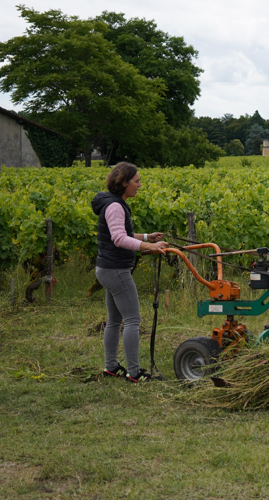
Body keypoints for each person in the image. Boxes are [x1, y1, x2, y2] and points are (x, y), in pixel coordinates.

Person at [91, 162, 168, 382]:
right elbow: (118, 239)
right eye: (136, 181)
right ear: (124, 182)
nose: (139, 185)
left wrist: (146, 237)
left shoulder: (114, 203)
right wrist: (149, 247)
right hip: (115, 270)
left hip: (108, 268)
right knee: (133, 319)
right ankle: (135, 373)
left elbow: (121, 234)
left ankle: (111, 367)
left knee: (115, 320)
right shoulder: (115, 206)